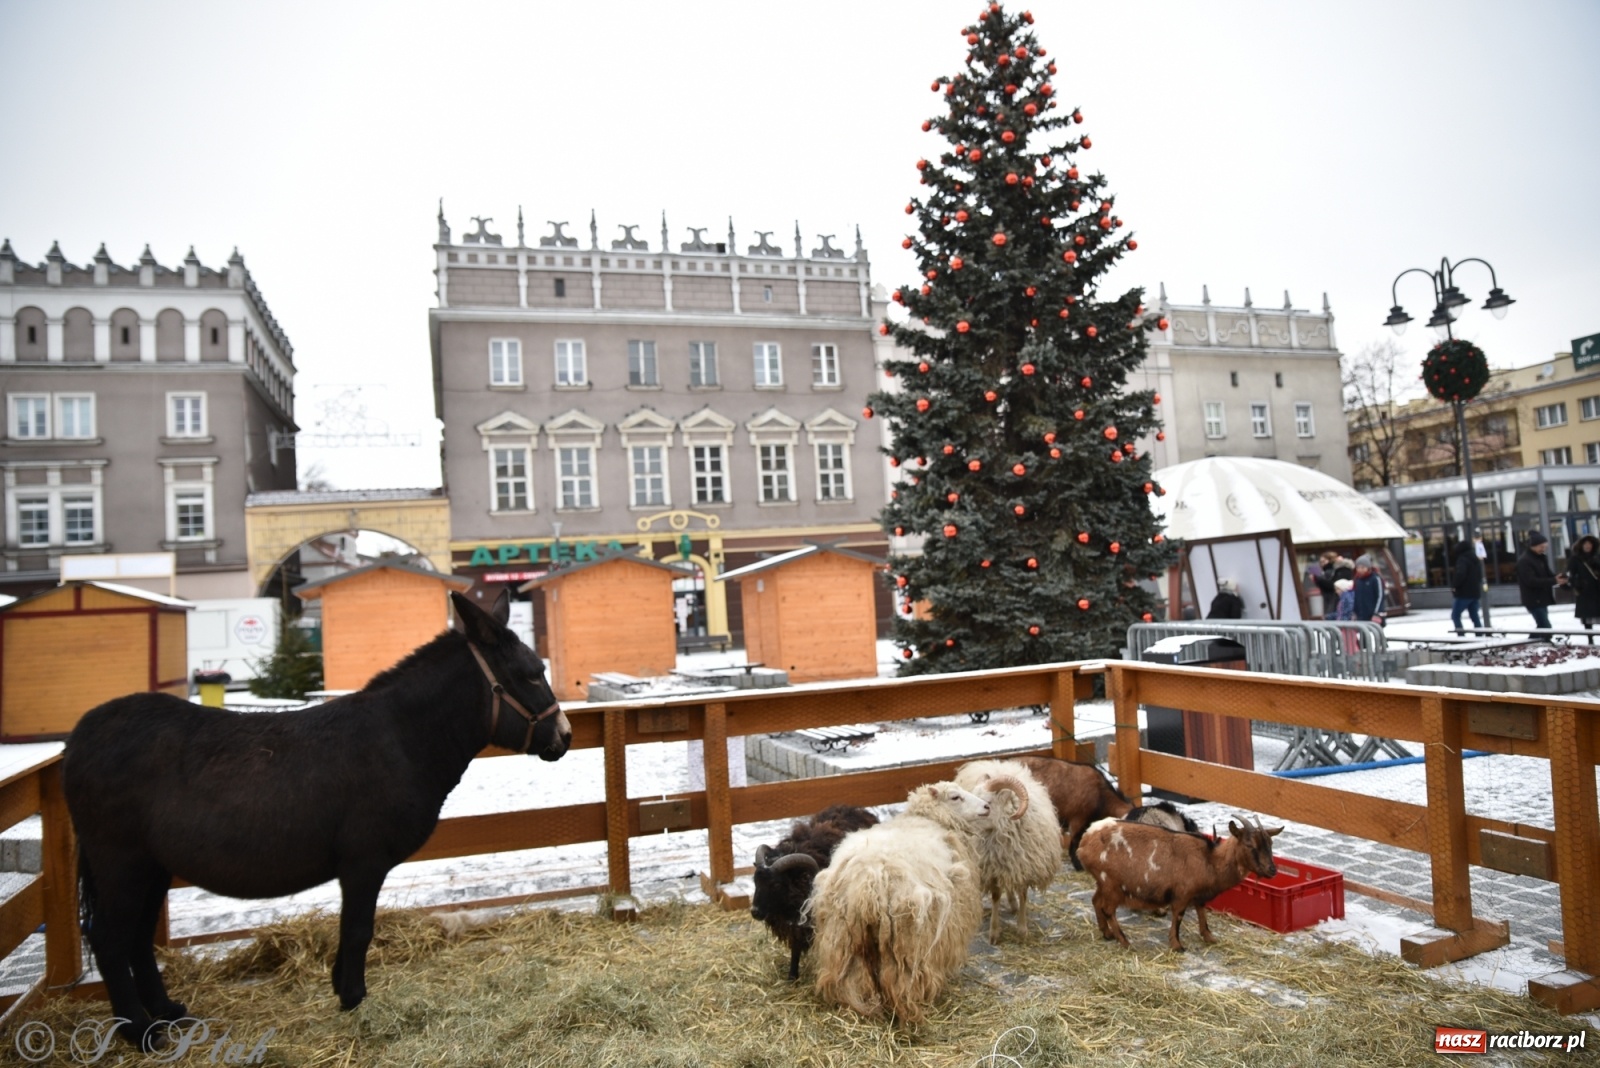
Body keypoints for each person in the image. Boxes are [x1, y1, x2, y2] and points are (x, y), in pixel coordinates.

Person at [1515, 531, 1566, 634]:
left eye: (1545, 547)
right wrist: (1553, 580)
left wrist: (1559, 577)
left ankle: (1534, 643)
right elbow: (1531, 581)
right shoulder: (1524, 561)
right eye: (1541, 547)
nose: (1543, 549)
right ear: (1533, 546)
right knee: (1545, 626)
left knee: (1542, 625)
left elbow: (1548, 574)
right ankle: (1539, 642)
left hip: (1542, 597)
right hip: (1533, 599)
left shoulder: (1541, 558)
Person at [1568, 534, 1600, 643]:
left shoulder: (1597, 556)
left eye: (1590, 544)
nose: (1587, 546)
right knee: (1587, 616)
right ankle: (1590, 639)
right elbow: (1571, 574)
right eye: (1585, 544)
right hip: (1585, 591)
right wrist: (1577, 584)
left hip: (1597, 589)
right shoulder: (1576, 558)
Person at [1450, 540, 1484, 635]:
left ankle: (1461, 636)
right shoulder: (1475, 559)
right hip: (1475, 592)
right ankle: (1480, 635)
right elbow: (1480, 575)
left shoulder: (1462, 559)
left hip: (1463, 593)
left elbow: (1460, 574)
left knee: (1455, 615)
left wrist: (1455, 585)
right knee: (1474, 616)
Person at [1351, 554, 1386, 627]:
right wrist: (1354, 612)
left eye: (1363, 567)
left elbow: (1380, 596)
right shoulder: (1357, 579)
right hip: (1361, 614)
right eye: (1358, 568)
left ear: (1368, 567)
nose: (1360, 570)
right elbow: (1356, 597)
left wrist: (1377, 612)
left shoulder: (1375, 578)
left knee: (1377, 634)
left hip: (1373, 614)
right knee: (1363, 635)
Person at [1310, 551, 1339, 619]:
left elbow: (1331, 585)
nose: (1321, 564)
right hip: (1327, 598)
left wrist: (1317, 578)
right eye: (1321, 562)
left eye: (1323, 561)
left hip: (1332, 598)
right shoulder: (1325, 571)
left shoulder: (1331, 571)